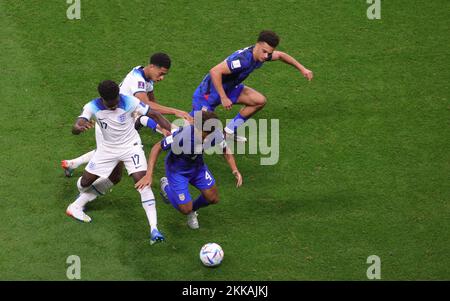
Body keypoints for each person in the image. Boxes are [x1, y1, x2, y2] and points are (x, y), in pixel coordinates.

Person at [66, 80, 172, 244]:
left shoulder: (129, 101)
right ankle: (78, 203)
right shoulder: (92, 106)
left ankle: (154, 228)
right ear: (102, 99)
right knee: (85, 183)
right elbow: (77, 124)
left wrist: (171, 130)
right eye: (110, 104)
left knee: (142, 181)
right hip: (107, 150)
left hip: (131, 147)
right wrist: (78, 128)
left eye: (116, 101)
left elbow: (155, 114)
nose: (114, 106)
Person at [61, 53, 191, 176]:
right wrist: (175, 111)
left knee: (119, 147)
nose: (162, 78)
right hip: (110, 121)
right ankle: (80, 178)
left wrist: (162, 126)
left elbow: (152, 106)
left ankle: (72, 164)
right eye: (161, 73)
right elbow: (147, 104)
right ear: (152, 66)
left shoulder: (146, 76)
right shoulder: (137, 80)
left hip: (125, 118)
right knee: (112, 154)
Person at [192, 30, 313, 142]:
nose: (266, 56)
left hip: (229, 88)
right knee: (197, 135)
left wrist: (303, 69)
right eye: (264, 51)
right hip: (207, 95)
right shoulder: (243, 60)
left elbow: (281, 55)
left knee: (259, 101)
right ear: (257, 45)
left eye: (269, 53)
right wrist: (223, 97)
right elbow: (215, 71)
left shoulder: (262, 55)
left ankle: (227, 132)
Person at [135, 111, 243, 229]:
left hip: (198, 168)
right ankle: (166, 186)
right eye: (204, 135)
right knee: (185, 209)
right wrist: (149, 174)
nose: (207, 139)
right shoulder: (182, 136)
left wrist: (235, 170)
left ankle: (193, 211)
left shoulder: (214, 134)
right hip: (177, 171)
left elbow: (225, 149)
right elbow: (157, 147)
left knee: (213, 198)